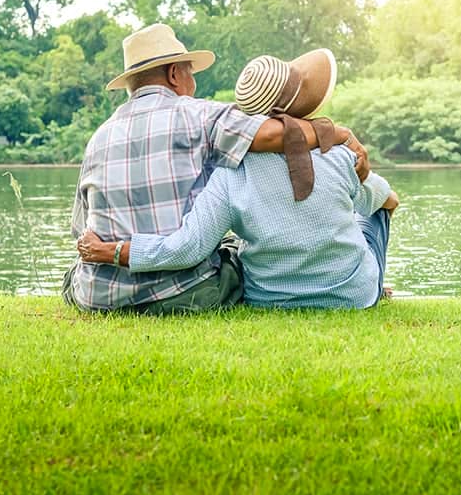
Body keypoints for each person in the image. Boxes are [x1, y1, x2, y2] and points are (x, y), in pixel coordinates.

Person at [64, 24, 369, 314]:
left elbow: (81, 230)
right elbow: (274, 135)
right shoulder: (199, 115)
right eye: (190, 73)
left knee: (71, 278)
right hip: (182, 291)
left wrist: (112, 252)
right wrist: (337, 133)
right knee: (231, 248)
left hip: (100, 295)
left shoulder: (98, 137)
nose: (192, 83)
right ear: (174, 74)